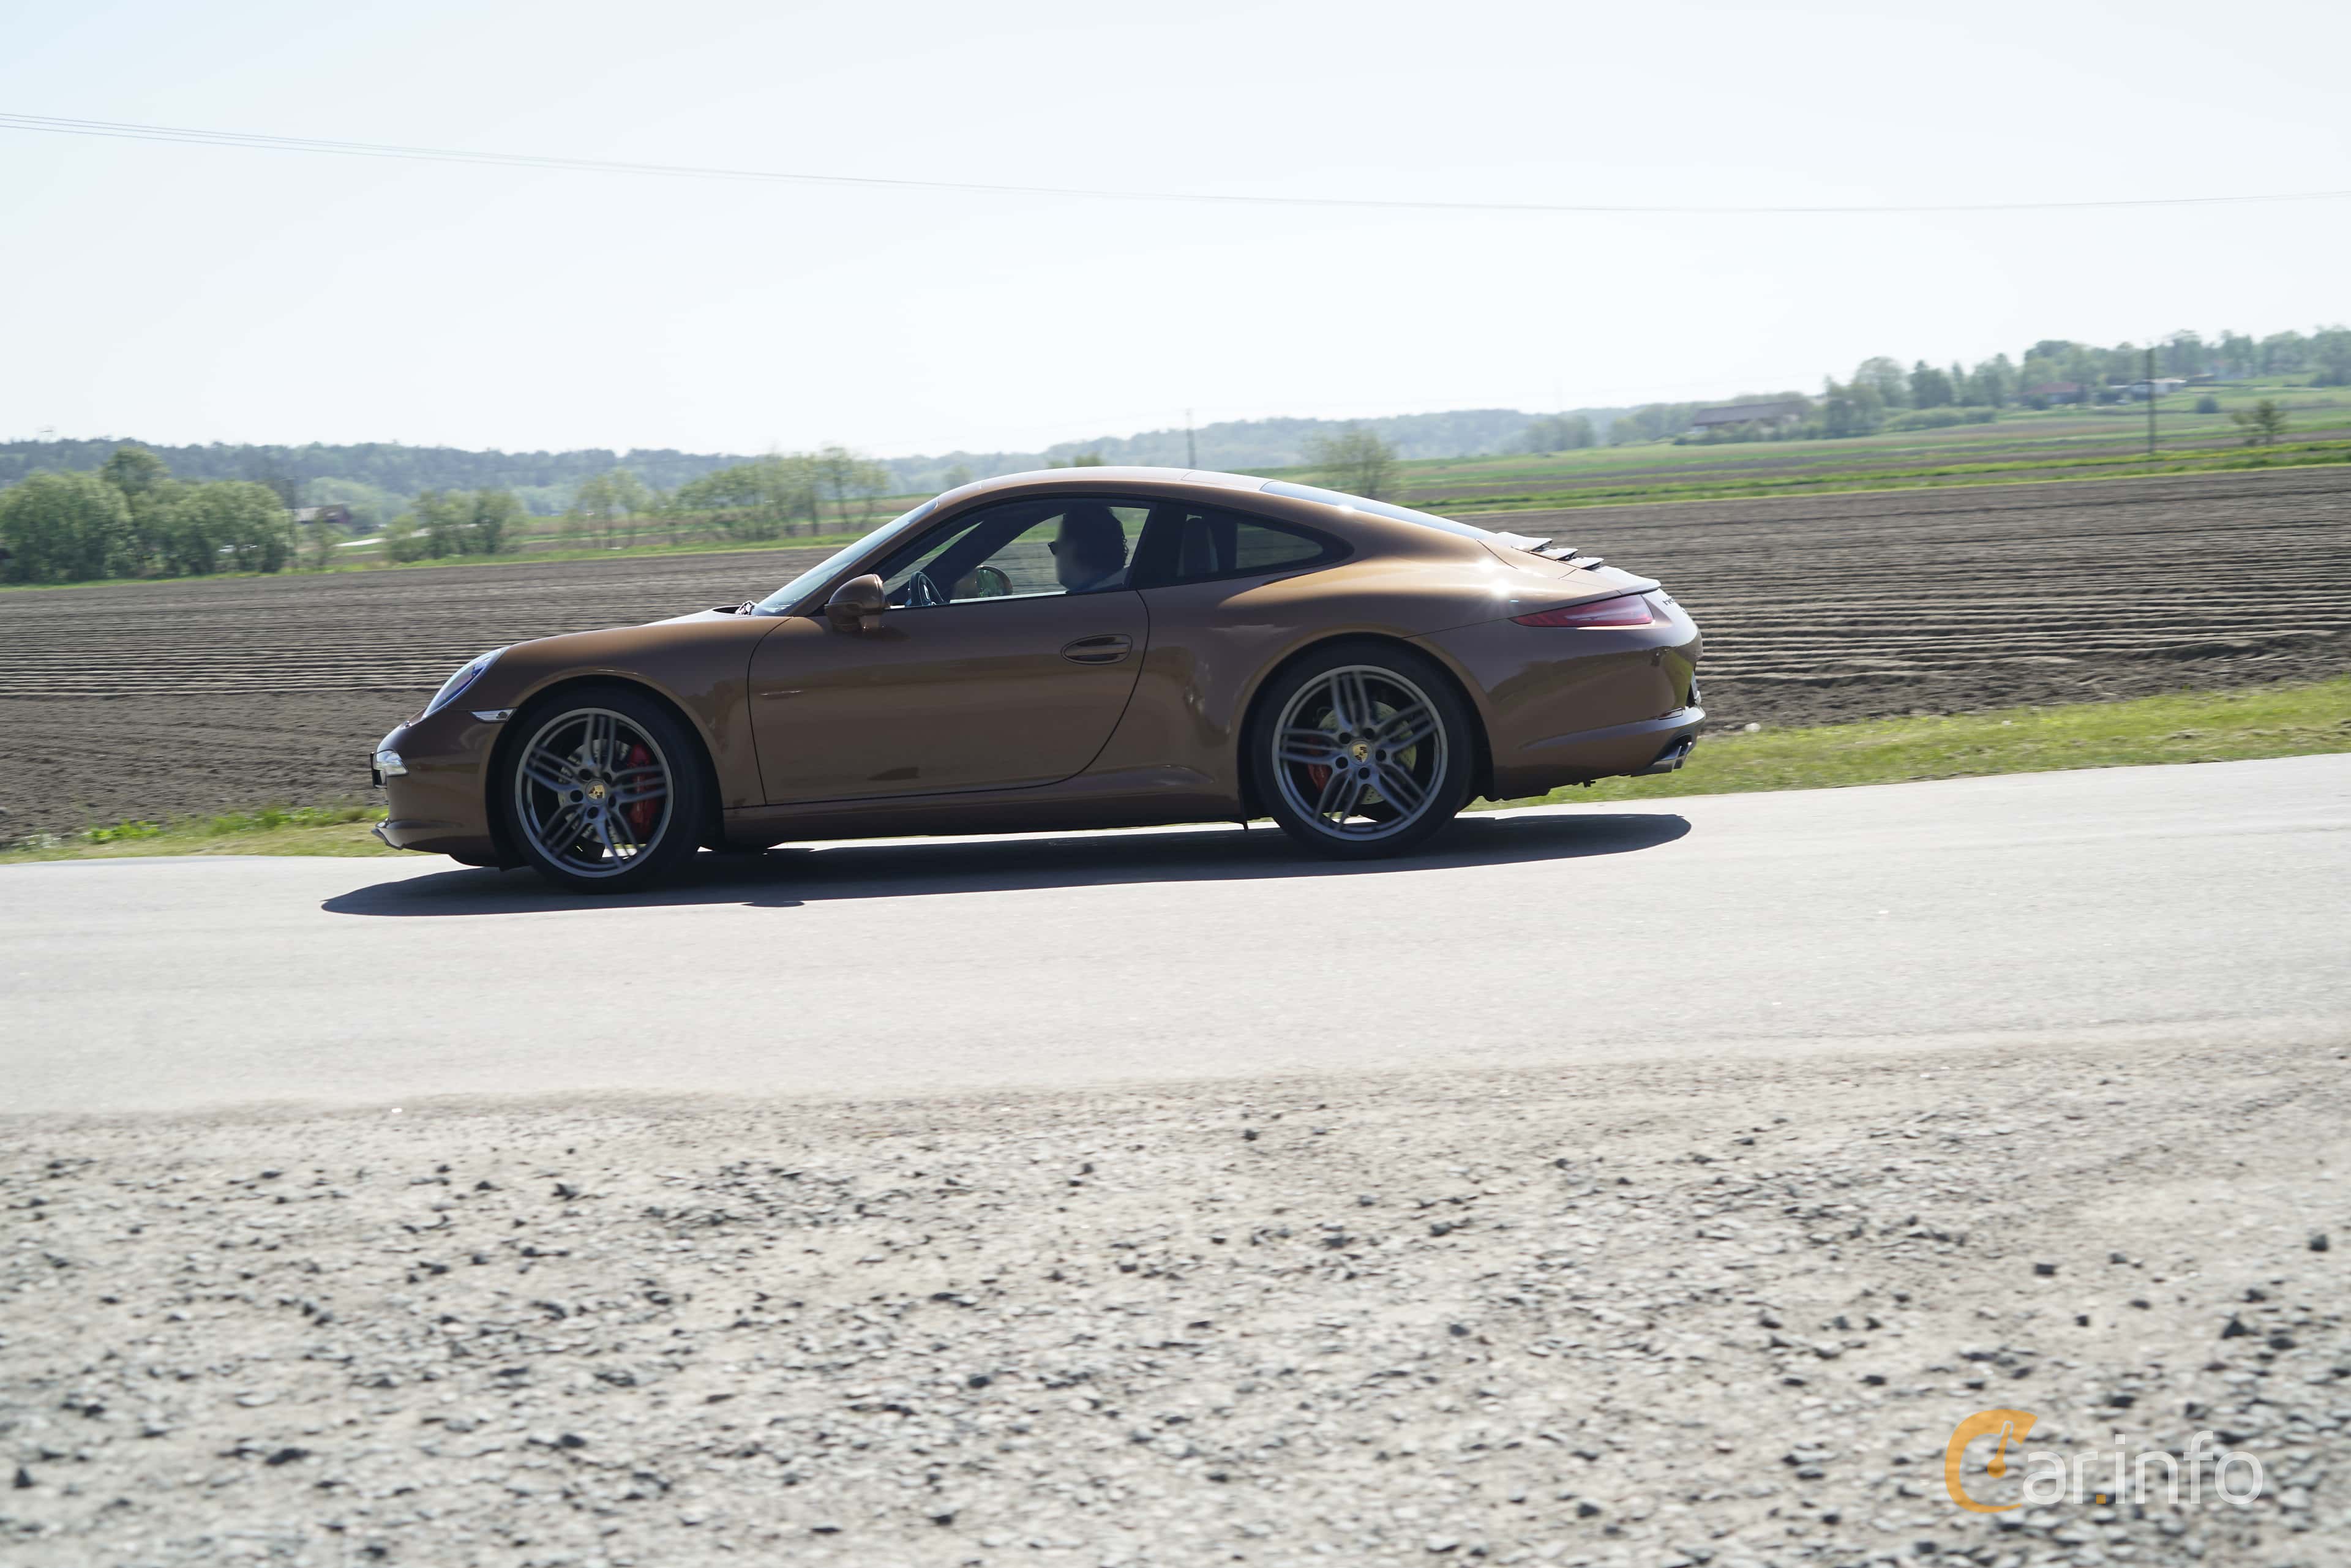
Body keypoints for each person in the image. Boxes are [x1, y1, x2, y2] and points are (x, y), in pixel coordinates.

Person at [1049, 505, 1128, 593]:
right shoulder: (1122, 588)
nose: (1056, 556)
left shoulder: (1087, 602)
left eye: (1055, 547)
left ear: (1075, 548)